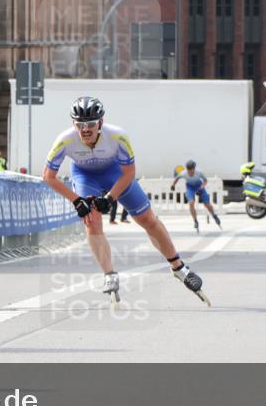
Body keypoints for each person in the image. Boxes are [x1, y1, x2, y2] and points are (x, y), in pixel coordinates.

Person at [42, 96, 205, 299]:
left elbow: (129, 173)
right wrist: (77, 201)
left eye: (91, 124)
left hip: (116, 173)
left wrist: (110, 198)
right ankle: (109, 274)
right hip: (85, 176)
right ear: (73, 124)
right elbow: (48, 176)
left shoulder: (118, 137)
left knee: (147, 219)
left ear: (100, 122)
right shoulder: (65, 140)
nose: (85, 129)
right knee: (91, 221)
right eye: (80, 124)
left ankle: (178, 267)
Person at [170, 160, 221, 232]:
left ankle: (214, 215)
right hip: (190, 187)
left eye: (191, 170)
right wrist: (173, 185)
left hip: (199, 186)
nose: (190, 172)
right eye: (188, 170)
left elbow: (205, 180)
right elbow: (177, 178)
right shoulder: (184, 173)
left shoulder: (199, 172)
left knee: (207, 204)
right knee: (191, 203)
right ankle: (195, 221)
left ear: (194, 169)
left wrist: (202, 187)